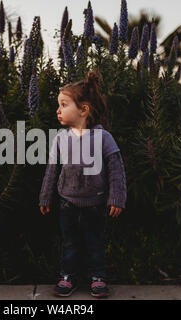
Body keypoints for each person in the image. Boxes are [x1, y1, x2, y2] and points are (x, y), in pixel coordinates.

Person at [39, 70, 127, 298]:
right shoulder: (60, 139)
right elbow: (52, 169)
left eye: (64, 104)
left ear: (84, 109)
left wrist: (117, 197)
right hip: (67, 202)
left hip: (95, 204)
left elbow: (116, 168)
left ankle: (98, 277)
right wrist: (45, 196)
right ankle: (68, 276)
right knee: (70, 244)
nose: (58, 110)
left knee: (95, 242)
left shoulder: (103, 138)